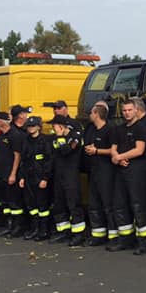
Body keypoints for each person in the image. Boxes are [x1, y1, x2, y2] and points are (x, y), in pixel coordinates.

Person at [110, 98, 146, 253]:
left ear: (136, 110)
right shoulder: (118, 129)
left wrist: (119, 157)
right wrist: (117, 158)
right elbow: (113, 148)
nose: (127, 113)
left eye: (129, 110)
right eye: (124, 110)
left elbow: (139, 150)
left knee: (138, 205)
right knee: (120, 205)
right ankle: (125, 240)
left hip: (137, 171)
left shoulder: (141, 128)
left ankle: (144, 242)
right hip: (121, 171)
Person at [48, 116, 87, 246]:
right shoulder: (55, 138)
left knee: (73, 203)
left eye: (54, 126)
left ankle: (78, 234)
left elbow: (65, 151)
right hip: (59, 174)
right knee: (59, 203)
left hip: (71, 174)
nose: (53, 129)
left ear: (61, 126)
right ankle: (63, 232)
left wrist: (60, 137)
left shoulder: (74, 136)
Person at [83, 102, 117, 246]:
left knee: (108, 204)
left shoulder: (110, 129)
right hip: (94, 170)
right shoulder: (92, 130)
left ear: (97, 114)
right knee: (94, 203)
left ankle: (113, 236)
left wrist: (97, 151)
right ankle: (98, 234)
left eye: (91, 113)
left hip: (106, 171)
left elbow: (114, 150)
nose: (90, 115)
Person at [19, 116, 53, 241]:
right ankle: (35, 229)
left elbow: (48, 161)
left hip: (40, 177)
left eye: (33, 126)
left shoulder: (44, 141)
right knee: (31, 205)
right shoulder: (26, 140)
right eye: (29, 126)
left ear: (39, 127)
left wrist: (45, 178)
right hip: (28, 176)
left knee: (42, 205)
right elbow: (23, 160)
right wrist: (21, 177)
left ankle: (44, 231)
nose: (30, 128)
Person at [0, 105, 29, 237]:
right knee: (6, 202)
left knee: (14, 202)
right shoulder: (0, 136)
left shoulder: (15, 135)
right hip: (2, 173)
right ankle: (9, 225)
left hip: (11, 173)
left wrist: (13, 174)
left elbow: (17, 156)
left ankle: (18, 227)